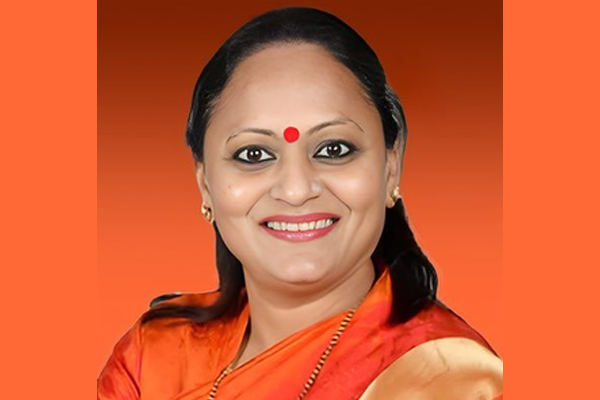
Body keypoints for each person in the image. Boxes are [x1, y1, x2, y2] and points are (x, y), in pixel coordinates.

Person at [98, 6, 503, 400]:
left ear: (391, 167)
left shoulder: (451, 383)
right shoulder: (153, 359)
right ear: (205, 183)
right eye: (254, 154)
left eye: (333, 149)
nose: (296, 190)